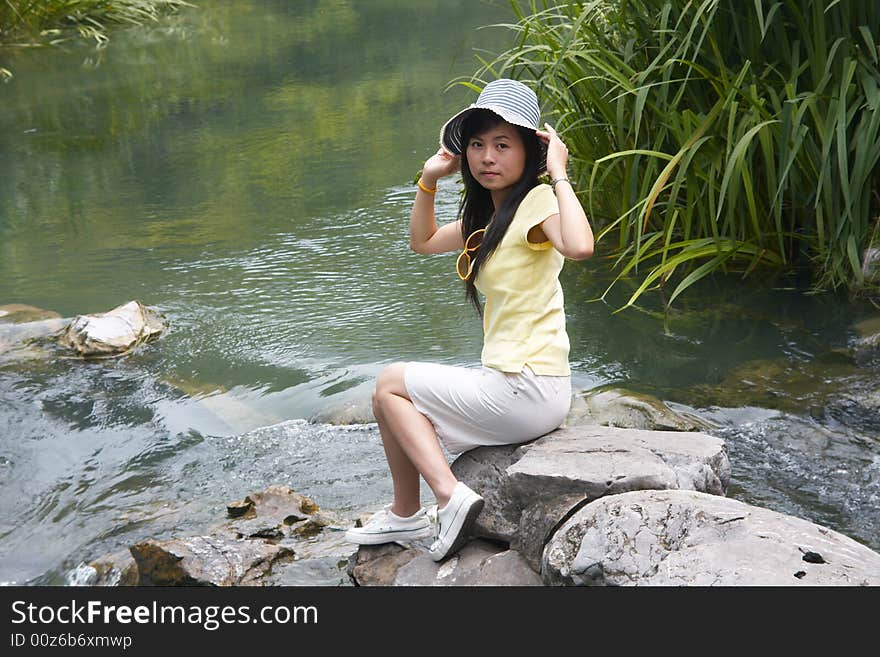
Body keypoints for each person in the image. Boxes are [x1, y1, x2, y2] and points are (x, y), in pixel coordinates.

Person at [345, 78, 594, 561]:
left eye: (503, 145)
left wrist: (559, 174)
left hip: (529, 385)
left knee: (390, 380)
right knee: (389, 405)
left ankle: (450, 498)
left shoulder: (537, 205)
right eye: (478, 145)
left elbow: (581, 246)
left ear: (529, 153)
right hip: (517, 384)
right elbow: (423, 241)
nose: (487, 157)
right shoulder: (490, 219)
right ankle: (404, 514)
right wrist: (429, 179)